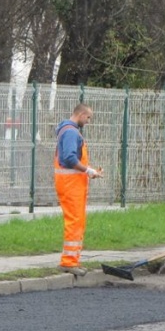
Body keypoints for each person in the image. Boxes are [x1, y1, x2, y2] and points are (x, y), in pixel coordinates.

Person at [54, 103, 103, 277]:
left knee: (77, 221)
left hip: (72, 183)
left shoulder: (67, 130)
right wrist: (87, 170)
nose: (88, 121)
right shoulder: (71, 132)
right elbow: (68, 158)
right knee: (74, 221)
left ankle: (73, 260)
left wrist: (88, 171)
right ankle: (68, 262)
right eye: (88, 117)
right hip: (71, 184)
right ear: (81, 114)